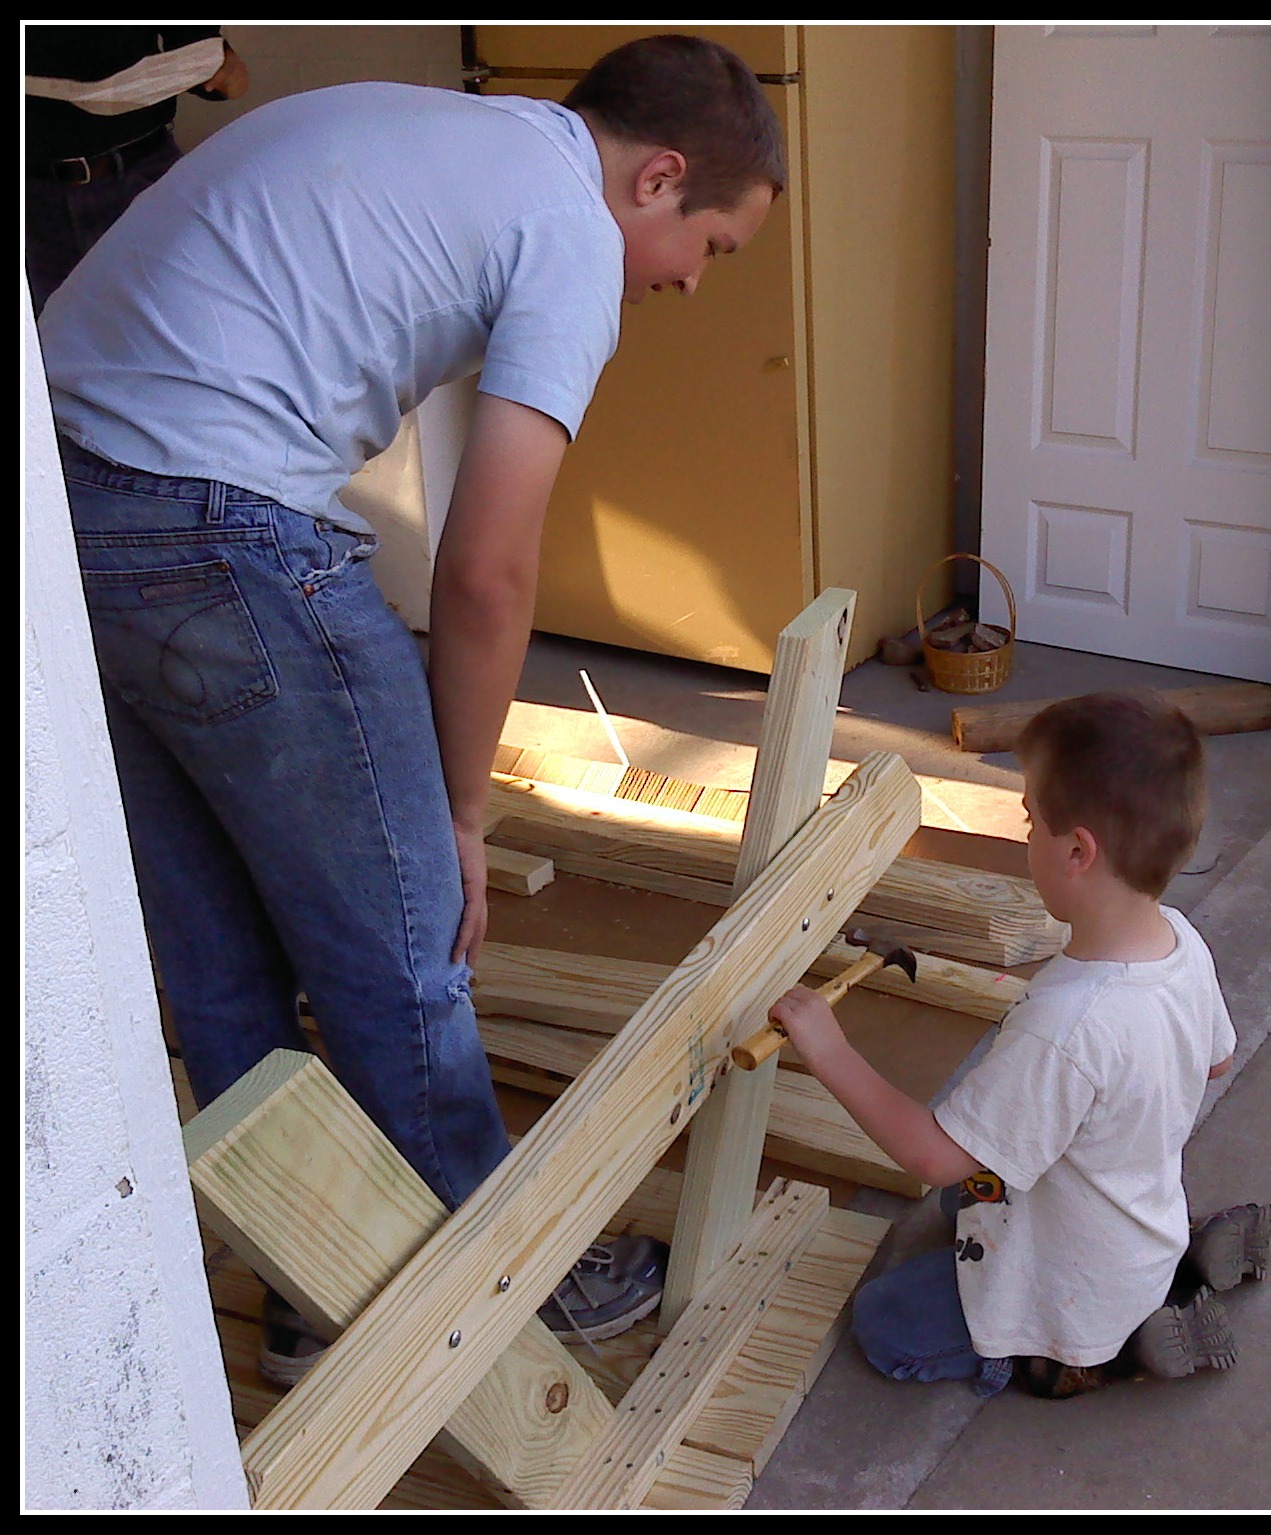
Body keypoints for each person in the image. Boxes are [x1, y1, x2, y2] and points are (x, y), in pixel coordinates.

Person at [36, 33, 784, 1380]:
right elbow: (490, 569)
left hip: (58, 504)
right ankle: (506, 1272)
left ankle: (311, 1278)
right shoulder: (566, 232)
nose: (685, 281)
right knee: (404, 945)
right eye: (710, 248)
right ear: (659, 175)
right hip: (213, 524)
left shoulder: (430, 128)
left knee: (218, 953)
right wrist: (458, 806)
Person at [767, 692, 1271, 1401]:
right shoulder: (1181, 942)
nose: (1023, 832)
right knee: (959, 1200)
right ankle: (1168, 1266)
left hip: (1066, 1287)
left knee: (887, 1321)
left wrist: (829, 1049)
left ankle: (1073, 1354)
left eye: (1030, 819)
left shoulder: (1066, 1026)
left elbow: (931, 1154)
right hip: (1131, 1224)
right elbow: (1215, 1058)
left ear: (1076, 851)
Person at [24, 25, 250, 315]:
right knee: (55, 340)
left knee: (178, 318)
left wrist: (214, 64)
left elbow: (201, 53)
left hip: (141, 177)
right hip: (35, 197)